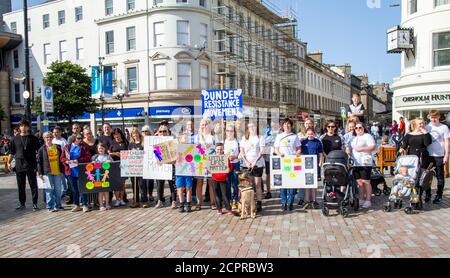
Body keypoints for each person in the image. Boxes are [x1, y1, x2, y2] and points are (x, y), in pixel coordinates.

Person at [7, 120, 41, 210]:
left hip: (31, 164)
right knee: (21, 186)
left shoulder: (33, 138)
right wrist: (8, 162)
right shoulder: (15, 139)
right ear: (19, 127)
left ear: (28, 127)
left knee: (33, 185)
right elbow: (11, 152)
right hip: (19, 165)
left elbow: (39, 152)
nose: (23, 127)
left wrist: (39, 163)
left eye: (25, 126)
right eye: (21, 126)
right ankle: (22, 204)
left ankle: (35, 204)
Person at [399, 118, 432, 208]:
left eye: (422, 123)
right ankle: (413, 197)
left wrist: (425, 132)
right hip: (412, 158)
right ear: (414, 124)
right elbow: (404, 145)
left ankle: (419, 198)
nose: (421, 125)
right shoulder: (409, 135)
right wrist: (401, 149)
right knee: (413, 178)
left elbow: (427, 143)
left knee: (421, 178)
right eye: (419, 123)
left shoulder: (425, 134)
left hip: (422, 157)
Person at [274, 118, 301, 211]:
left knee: (292, 184)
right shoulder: (279, 136)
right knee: (283, 184)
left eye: (288, 124)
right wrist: (279, 154)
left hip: (292, 163)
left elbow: (298, 148)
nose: (287, 126)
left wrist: (298, 153)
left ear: (291, 126)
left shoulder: (295, 136)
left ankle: (290, 202)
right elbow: (276, 149)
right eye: (285, 124)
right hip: (282, 162)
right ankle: (283, 202)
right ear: (282, 126)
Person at [347, 122, 376, 209]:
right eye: (356, 128)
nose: (358, 129)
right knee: (359, 182)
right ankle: (362, 198)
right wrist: (348, 152)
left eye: (360, 128)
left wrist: (362, 149)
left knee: (366, 181)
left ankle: (368, 200)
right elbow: (350, 148)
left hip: (365, 162)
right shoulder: (354, 138)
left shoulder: (367, 136)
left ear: (363, 128)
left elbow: (373, 147)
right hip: (356, 163)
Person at [61, 132, 91, 212]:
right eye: (78, 138)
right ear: (74, 139)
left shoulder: (83, 147)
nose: (80, 140)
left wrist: (78, 161)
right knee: (74, 189)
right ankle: (76, 204)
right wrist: (66, 162)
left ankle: (85, 204)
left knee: (82, 188)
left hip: (80, 170)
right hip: (70, 172)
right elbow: (62, 158)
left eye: (81, 138)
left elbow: (88, 157)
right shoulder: (67, 147)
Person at [425, 110, 450, 204]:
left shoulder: (444, 127)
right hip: (428, 155)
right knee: (426, 176)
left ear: (439, 117)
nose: (434, 119)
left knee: (440, 176)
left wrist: (446, 155)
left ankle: (439, 195)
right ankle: (428, 194)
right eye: (432, 117)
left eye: (435, 117)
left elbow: (447, 142)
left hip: (439, 155)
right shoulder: (427, 127)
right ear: (429, 117)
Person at [240, 121, 265, 212]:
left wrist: (255, 161)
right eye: (250, 127)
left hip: (257, 164)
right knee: (247, 185)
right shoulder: (244, 138)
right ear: (247, 128)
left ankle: (259, 203)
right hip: (246, 165)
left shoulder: (260, 137)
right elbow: (241, 151)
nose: (252, 128)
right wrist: (246, 161)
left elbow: (262, 151)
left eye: (253, 126)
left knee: (257, 185)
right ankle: (248, 203)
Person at [37, 132, 64, 212]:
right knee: (49, 190)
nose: (49, 139)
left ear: (52, 138)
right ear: (44, 138)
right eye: (47, 137)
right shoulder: (42, 149)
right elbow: (39, 162)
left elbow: (61, 159)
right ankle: (50, 206)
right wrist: (40, 173)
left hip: (57, 171)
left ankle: (58, 205)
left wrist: (62, 170)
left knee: (58, 189)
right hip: (47, 172)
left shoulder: (58, 147)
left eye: (50, 137)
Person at [194, 119, 216, 210]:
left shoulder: (213, 136)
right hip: (200, 162)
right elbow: (194, 148)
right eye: (202, 124)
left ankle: (212, 203)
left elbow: (218, 147)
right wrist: (202, 147)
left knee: (211, 183)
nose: (204, 126)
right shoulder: (197, 137)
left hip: (211, 161)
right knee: (199, 183)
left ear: (209, 125)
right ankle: (199, 203)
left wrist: (210, 146)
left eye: (205, 124)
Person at [154, 125, 177, 209]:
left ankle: (173, 201)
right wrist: (154, 138)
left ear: (168, 132)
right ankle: (160, 200)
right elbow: (154, 154)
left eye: (164, 131)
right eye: (160, 131)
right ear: (158, 133)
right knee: (159, 184)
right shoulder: (154, 142)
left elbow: (175, 156)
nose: (162, 133)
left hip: (170, 166)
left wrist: (171, 161)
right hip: (160, 167)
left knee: (172, 184)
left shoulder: (172, 141)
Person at [301, 128, 323, 209]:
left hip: (315, 166)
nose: (310, 135)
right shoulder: (303, 142)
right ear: (306, 134)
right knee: (307, 184)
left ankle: (314, 201)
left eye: (311, 134)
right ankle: (306, 201)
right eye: (308, 134)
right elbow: (301, 153)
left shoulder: (318, 142)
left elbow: (321, 154)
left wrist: (320, 163)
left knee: (314, 184)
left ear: (314, 134)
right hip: (306, 166)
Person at [108, 128, 129, 207]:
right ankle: (117, 200)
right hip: (115, 165)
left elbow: (129, 152)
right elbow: (108, 153)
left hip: (124, 164)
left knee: (122, 183)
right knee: (116, 183)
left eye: (117, 133)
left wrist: (124, 154)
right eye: (114, 134)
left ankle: (122, 199)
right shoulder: (112, 142)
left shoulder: (125, 142)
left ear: (120, 134)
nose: (116, 135)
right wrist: (115, 154)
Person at [211, 143, 233, 215]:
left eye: (221, 149)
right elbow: (209, 167)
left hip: (223, 179)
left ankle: (228, 208)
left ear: (223, 149)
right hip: (214, 178)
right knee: (217, 195)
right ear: (215, 150)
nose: (219, 151)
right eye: (218, 149)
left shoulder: (225, 158)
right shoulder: (212, 158)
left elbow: (230, 167)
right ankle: (219, 209)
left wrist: (228, 170)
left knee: (225, 195)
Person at [175, 131, 194, 213]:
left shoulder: (192, 147)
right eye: (184, 137)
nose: (186, 139)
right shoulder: (177, 147)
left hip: (188, 170)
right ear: (180, 139)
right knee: (180, 187)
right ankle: (181, 204)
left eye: (187, 137)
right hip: (179, 171)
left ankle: (188, 203)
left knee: (188, 187)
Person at [224, 124, 240, 211]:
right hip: (226, 165)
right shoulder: (224, 141)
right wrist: (226, 157)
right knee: (227, 184)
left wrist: (235, 157)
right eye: (228, 131)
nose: (229, 132)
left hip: (235, 164)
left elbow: (241, 153)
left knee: (235, 184)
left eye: (231, 131)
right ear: (225, 132)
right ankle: (229, 200)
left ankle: (235, 200)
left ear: (234, 132)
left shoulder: (237, 141)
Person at [92, 143, 112, 211]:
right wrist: (93, 162)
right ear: (97, 149)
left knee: (106, 191)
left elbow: (113, 163)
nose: (101, 149)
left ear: (105, 149)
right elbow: (92, 165)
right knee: (100, 191)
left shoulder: (108, 156)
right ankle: (101, 205)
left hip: (106, 176)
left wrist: (110, 161)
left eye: (102, 148)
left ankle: (107, 204)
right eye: (99, 148)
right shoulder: (95, 157)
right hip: (98, 177)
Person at [128, 127, 144, 208]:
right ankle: (136, 201)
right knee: (134, 184)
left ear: (139, 133)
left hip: (142, 167)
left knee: (142, 184)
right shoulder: (131, 144)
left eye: (136, 133)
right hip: (133, 167)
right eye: (133, 134)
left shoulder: (143, 143)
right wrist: (131, 152)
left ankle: (144, 200)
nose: (135, 135)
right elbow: (127, 155)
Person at [140, 125, 154, 207]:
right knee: (143, 181)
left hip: (151, 162)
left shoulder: (153, 139)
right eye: (143, 131)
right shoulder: (140, 140)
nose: (145, 133)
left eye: (146, 131)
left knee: (150, 180)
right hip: (142, 163)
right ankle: (144, 196)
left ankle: (150, 194)